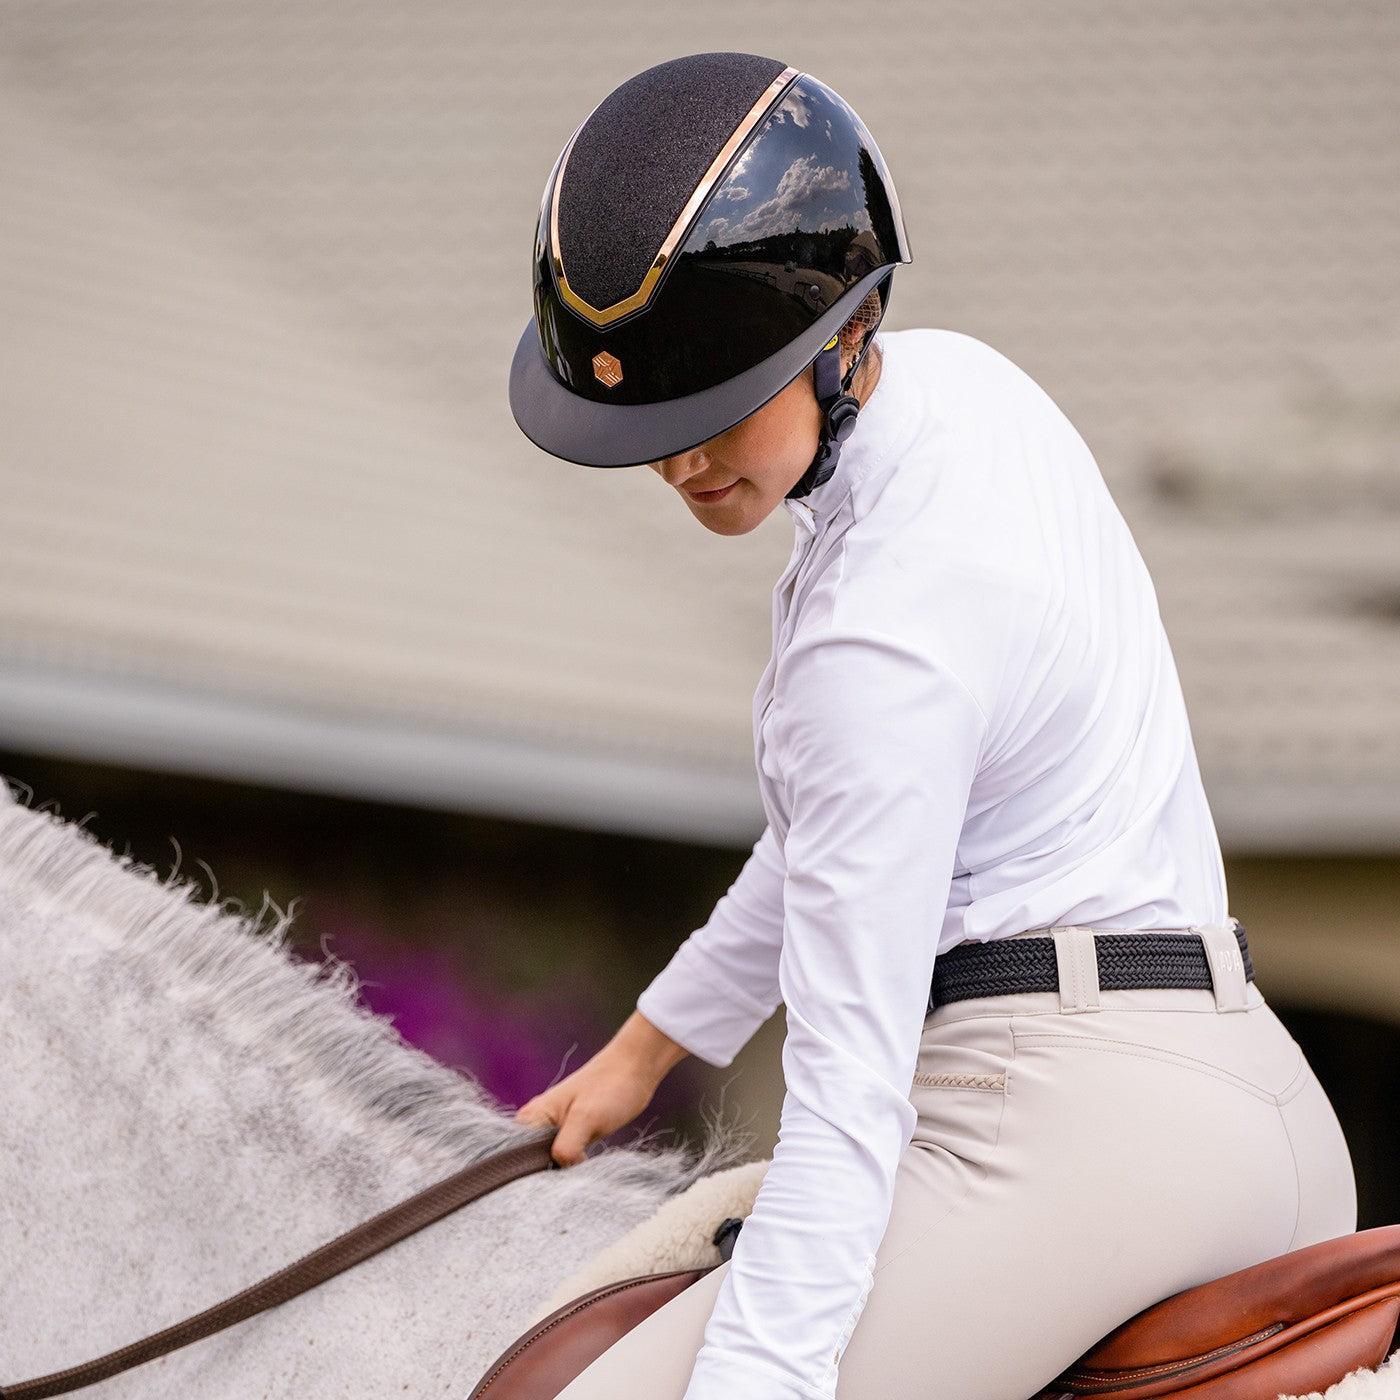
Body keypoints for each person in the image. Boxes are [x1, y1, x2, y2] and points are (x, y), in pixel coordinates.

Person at [508, 52, 1357, 1400]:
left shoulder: (874, 638)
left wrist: (760, 1382)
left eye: (717, 406)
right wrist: (649, 1047)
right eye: (648, 424)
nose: (678, 460)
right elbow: (837, 840)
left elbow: (849, 1091)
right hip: (1259, 1099)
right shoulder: (969, 392)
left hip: (1060, 1136)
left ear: (840, 336)